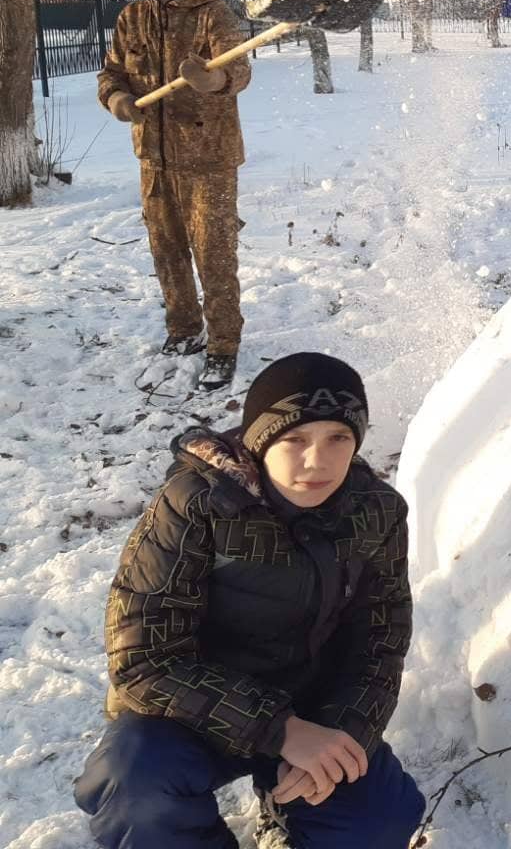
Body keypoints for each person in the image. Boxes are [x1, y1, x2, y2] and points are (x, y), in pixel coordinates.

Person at [73, 354, 424, 848]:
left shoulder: (376, 512)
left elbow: (380, 643)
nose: (317, 461)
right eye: (295, 439)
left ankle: (285, 811)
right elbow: (143, 660)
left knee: (379, 818)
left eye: (338, 438)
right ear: (260, 442)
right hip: (191, 710)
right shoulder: (195, 503)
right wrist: (280, 731)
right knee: (137, 786)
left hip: (312, 705)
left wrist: (341, 732)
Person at [97, 0, 250, 391]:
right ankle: (183, 330)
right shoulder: (132, 17)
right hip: (154, 156)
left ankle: (223, 344)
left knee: (213, 253)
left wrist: (214, 81)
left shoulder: (211, 13)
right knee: (167, 251)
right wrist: (116, 98)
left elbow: (239, 69)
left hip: (208, 157)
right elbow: (112, 72)